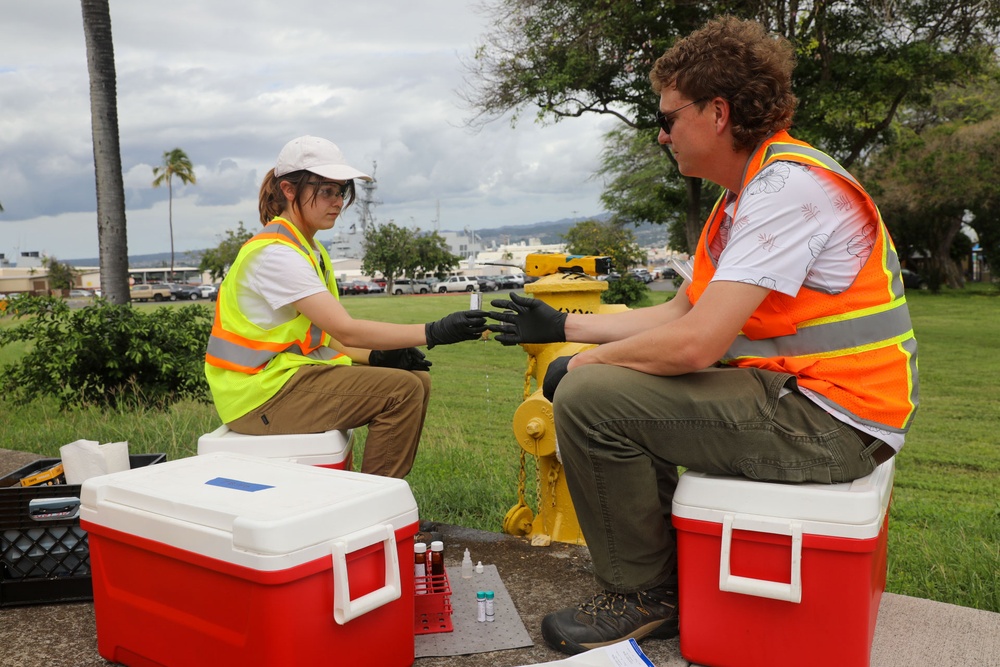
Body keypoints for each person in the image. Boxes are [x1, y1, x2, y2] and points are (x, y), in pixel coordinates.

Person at [487, 16, 918, 655]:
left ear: (717, 113)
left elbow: (696, 344)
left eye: (669, 117)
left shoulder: (786, 188)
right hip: (806, 399)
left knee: (592, 400)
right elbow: (683, 311)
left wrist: (583, 367)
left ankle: (644, 596)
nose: (662, 135)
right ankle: (667, 577)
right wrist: (567, 328)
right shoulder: (744, 194)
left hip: (837, 422)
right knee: (607, 383)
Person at [205, 135, 488, 479]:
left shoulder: (308, 249)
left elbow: (321, 334)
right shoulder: (276, 253)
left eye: (341, 191)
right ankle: (373, 502)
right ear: (289, 190)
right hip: (256, 396)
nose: (337, 201)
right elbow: (345, 329)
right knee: (403, 390)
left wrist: (378, 357)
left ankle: (373, 496)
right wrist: (435, 332)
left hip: (280, 382)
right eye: (326, 191)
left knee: (416, 380)